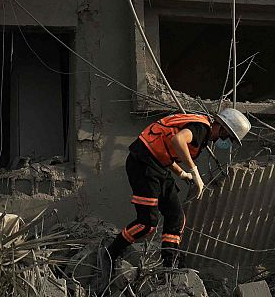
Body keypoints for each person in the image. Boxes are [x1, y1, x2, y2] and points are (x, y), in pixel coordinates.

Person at [100, 107, 251, 274]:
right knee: (147, 224)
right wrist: (194, 172)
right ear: (221, 127)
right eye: (227, 137)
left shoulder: (201, 129)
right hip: (143, 164)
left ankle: (169, 267)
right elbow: (178, 141)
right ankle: (110, 253)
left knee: (176, 217)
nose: (225, 141)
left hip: (158, 166)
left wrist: (181, 173)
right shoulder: (201, 128)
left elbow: (165, 148)